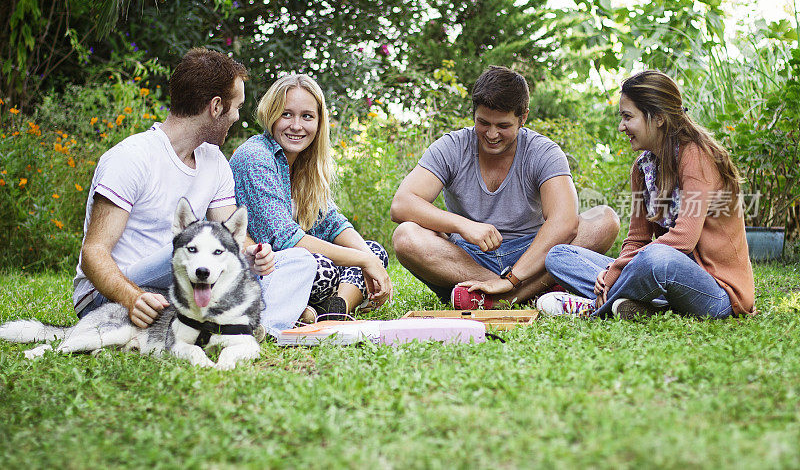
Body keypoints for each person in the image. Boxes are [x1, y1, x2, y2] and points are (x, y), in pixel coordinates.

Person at [74, 48, 316, 337]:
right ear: (216, 107)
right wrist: (131, 298)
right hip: (114, 294)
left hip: (187, 282)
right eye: (236, 106)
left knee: (300, 260)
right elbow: (93, 253)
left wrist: (253, 254)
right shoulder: (131, 158)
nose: (237, 116)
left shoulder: (214, 163)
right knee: (187, 248)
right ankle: (243, 317)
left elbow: (231, 238)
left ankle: (260, 328)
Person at [391, 65, 620, 309]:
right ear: (474, 115)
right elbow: (402, 204)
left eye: (503, 126)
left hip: (530, 252)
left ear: (523, 118)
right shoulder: (451, 146)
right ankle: (530, 290)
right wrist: (464, 226)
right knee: (405, 236)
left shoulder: (544, 152)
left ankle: (502, 297)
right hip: (467, 257)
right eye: (483, 123)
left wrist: (514, 277)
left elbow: (564, 223)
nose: (491, 134)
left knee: (604, 219)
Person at [538, 70, 755, 319]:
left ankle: (593, 308)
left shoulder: (696, 156)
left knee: (657, 257)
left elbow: (684, 240)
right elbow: (637, 238)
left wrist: (616, 269)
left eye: (628, 117)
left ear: (658, 118)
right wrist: (616, 268)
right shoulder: (643, 168)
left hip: (718, 295)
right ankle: (641, 304)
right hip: (664, 281)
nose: (622, 127)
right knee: (559, 255)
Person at [229, 74, 392, 320]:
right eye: (286, 114)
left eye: (307, 116)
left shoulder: (307, 164)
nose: (297, 125)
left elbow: (333, 223)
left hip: (300, 263)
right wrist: (363, 262)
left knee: (374, 251)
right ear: (271, 115)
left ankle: (334, 309)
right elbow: (285, 240)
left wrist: (369, 259)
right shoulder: (255, 156)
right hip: (262, 268)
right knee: (322, 268)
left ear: (318, 122)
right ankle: (309, 307)